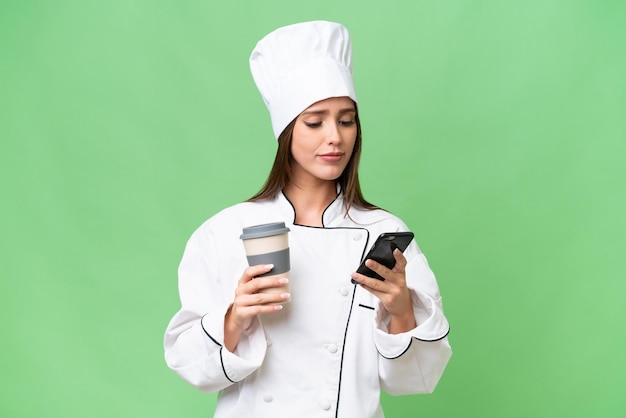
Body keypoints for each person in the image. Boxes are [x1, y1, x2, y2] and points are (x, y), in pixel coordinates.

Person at [164, 21, 451, 417]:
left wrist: (402, 309)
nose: (334, 136)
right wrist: (236, 316)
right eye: (315, 122)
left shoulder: (383, 233)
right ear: (286, 131)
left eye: (346, 120)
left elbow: (416, 378)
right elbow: (189, 364)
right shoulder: (226, 232)